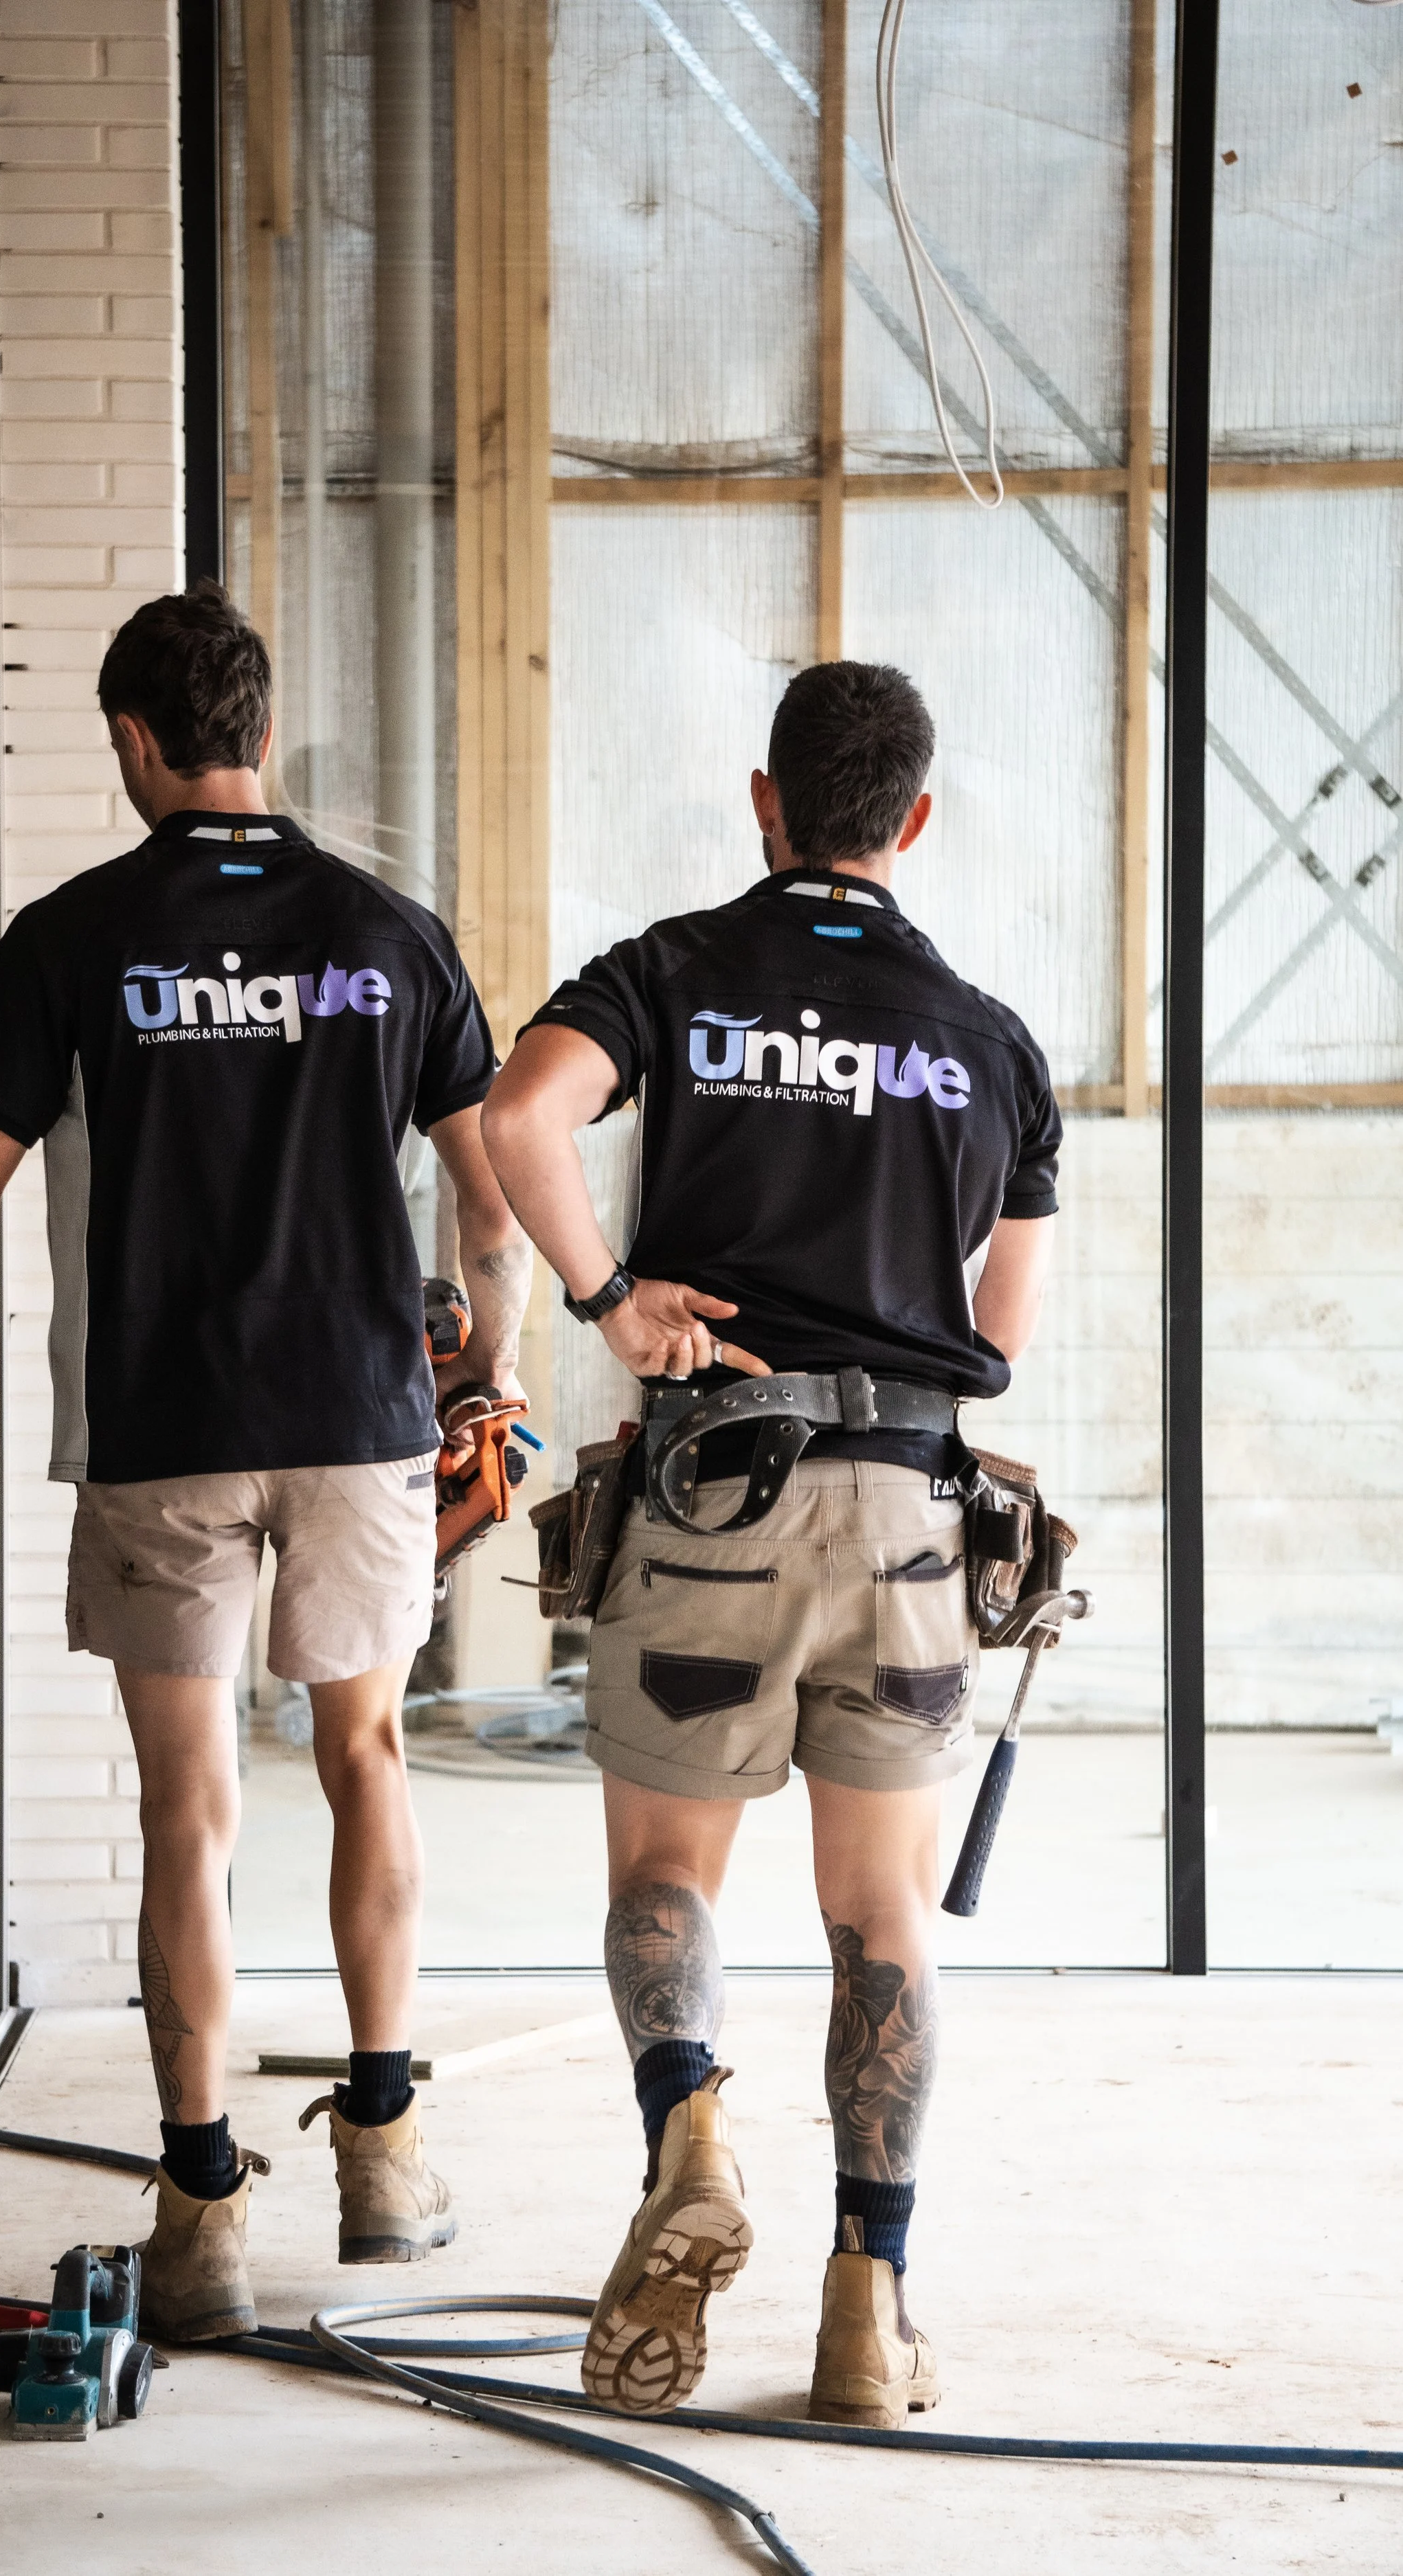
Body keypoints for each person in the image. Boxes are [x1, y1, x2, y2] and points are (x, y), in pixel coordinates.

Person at [0, 580, 531, 2341]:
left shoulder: (73, 936)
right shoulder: (392, 930)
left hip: (162, 1430)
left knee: (186, 1811)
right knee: (366, 1753)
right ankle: (383, 2152)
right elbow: (487, 1194)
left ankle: (203, 2209)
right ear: (261, 733)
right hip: (361, 1414)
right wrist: (494, 1370)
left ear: (137, 745)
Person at [481, 660, 1059, 2425]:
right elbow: (1002, 1336)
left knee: (668, 1877)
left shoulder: (671, 970)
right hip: (901, 1514)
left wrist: (609, 1301)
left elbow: (518, 1119)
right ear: (914, 820)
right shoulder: (990, 1046)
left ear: (764, 802)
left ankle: (690, 2137)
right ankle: (863, 2309)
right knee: (879, 1912)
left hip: (708, 1496)